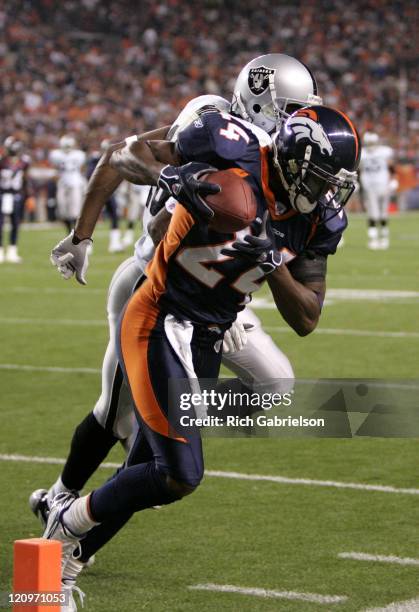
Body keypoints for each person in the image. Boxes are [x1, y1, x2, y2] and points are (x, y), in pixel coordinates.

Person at [42, 103, 360, 611]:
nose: (327, 193)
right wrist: (172, 177)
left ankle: (63, 559)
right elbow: (126, 152)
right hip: (158, 315)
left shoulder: (320, 219)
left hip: (211, 332)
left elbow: (307, 317)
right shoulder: (227, 144)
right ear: (295, 161)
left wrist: (271, 262)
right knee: (178, 473)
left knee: (147, 467)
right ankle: (67, 523)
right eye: (321, 178)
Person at [32, 53, 319, 529]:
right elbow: (128, 165)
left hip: (216, 299)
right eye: (289, 108)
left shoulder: (273, 157)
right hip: (158, 284)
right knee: (117, 416)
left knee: (275, 384)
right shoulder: (214, 125)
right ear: (261, 102)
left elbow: (248, 239)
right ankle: (62, 501)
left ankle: (185, 408)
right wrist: (83, 235)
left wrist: (231, 304)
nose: (298, 121)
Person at [359, 131, 396, 250]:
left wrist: (393, 180)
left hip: (383, 185)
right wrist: (356, 181)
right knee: (372, 213)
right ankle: (373, 239)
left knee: (383, 212)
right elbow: (358, 169)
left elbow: (391, 166)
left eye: (372, 142)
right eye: (369, 142)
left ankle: (384, 238)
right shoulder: (363, 154)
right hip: (369, 186)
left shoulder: (384, 152)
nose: (371, 145)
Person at [87, 140, 123, 253]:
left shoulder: (116, 159)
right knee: (91, 217)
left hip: (109, 190)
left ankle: (115, 243)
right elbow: (89, 175)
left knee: (114, 215)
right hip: (97, 191)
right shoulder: (95, 160)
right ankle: (86, 244)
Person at [0, 137, 31, 263]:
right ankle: (1, 251)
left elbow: (25, 180)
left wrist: (28, 195)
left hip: (17, 195)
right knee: (0, 224)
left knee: (15, 223)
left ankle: (12, 251)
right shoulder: (2, 161)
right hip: (2, 194)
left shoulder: (24, 162)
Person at [49, 135, 87, 233]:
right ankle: (69, 233)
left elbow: (82, 168)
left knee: (75, 212)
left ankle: (77, 234)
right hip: (62, 183)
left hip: (75, 183)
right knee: (62, 211)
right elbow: (55, 168)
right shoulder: (56, 154)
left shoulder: (79, 155)